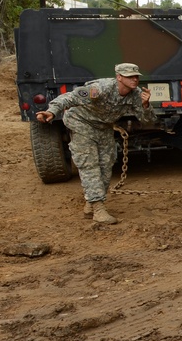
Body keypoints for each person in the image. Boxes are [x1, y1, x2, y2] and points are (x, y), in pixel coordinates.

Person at [35, 63, 157, 224]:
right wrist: (51, 111)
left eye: (136, 76)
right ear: (119, 77)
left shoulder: (136, 95)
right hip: (81, 123)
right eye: (129, 76)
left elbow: (149, 120)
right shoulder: (100, 88)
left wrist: (146, 105)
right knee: (89, 163)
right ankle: (98, 208)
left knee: (106, 164)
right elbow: (70, 97)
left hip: (103, 127)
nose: (134, 80)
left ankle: (91, 202)